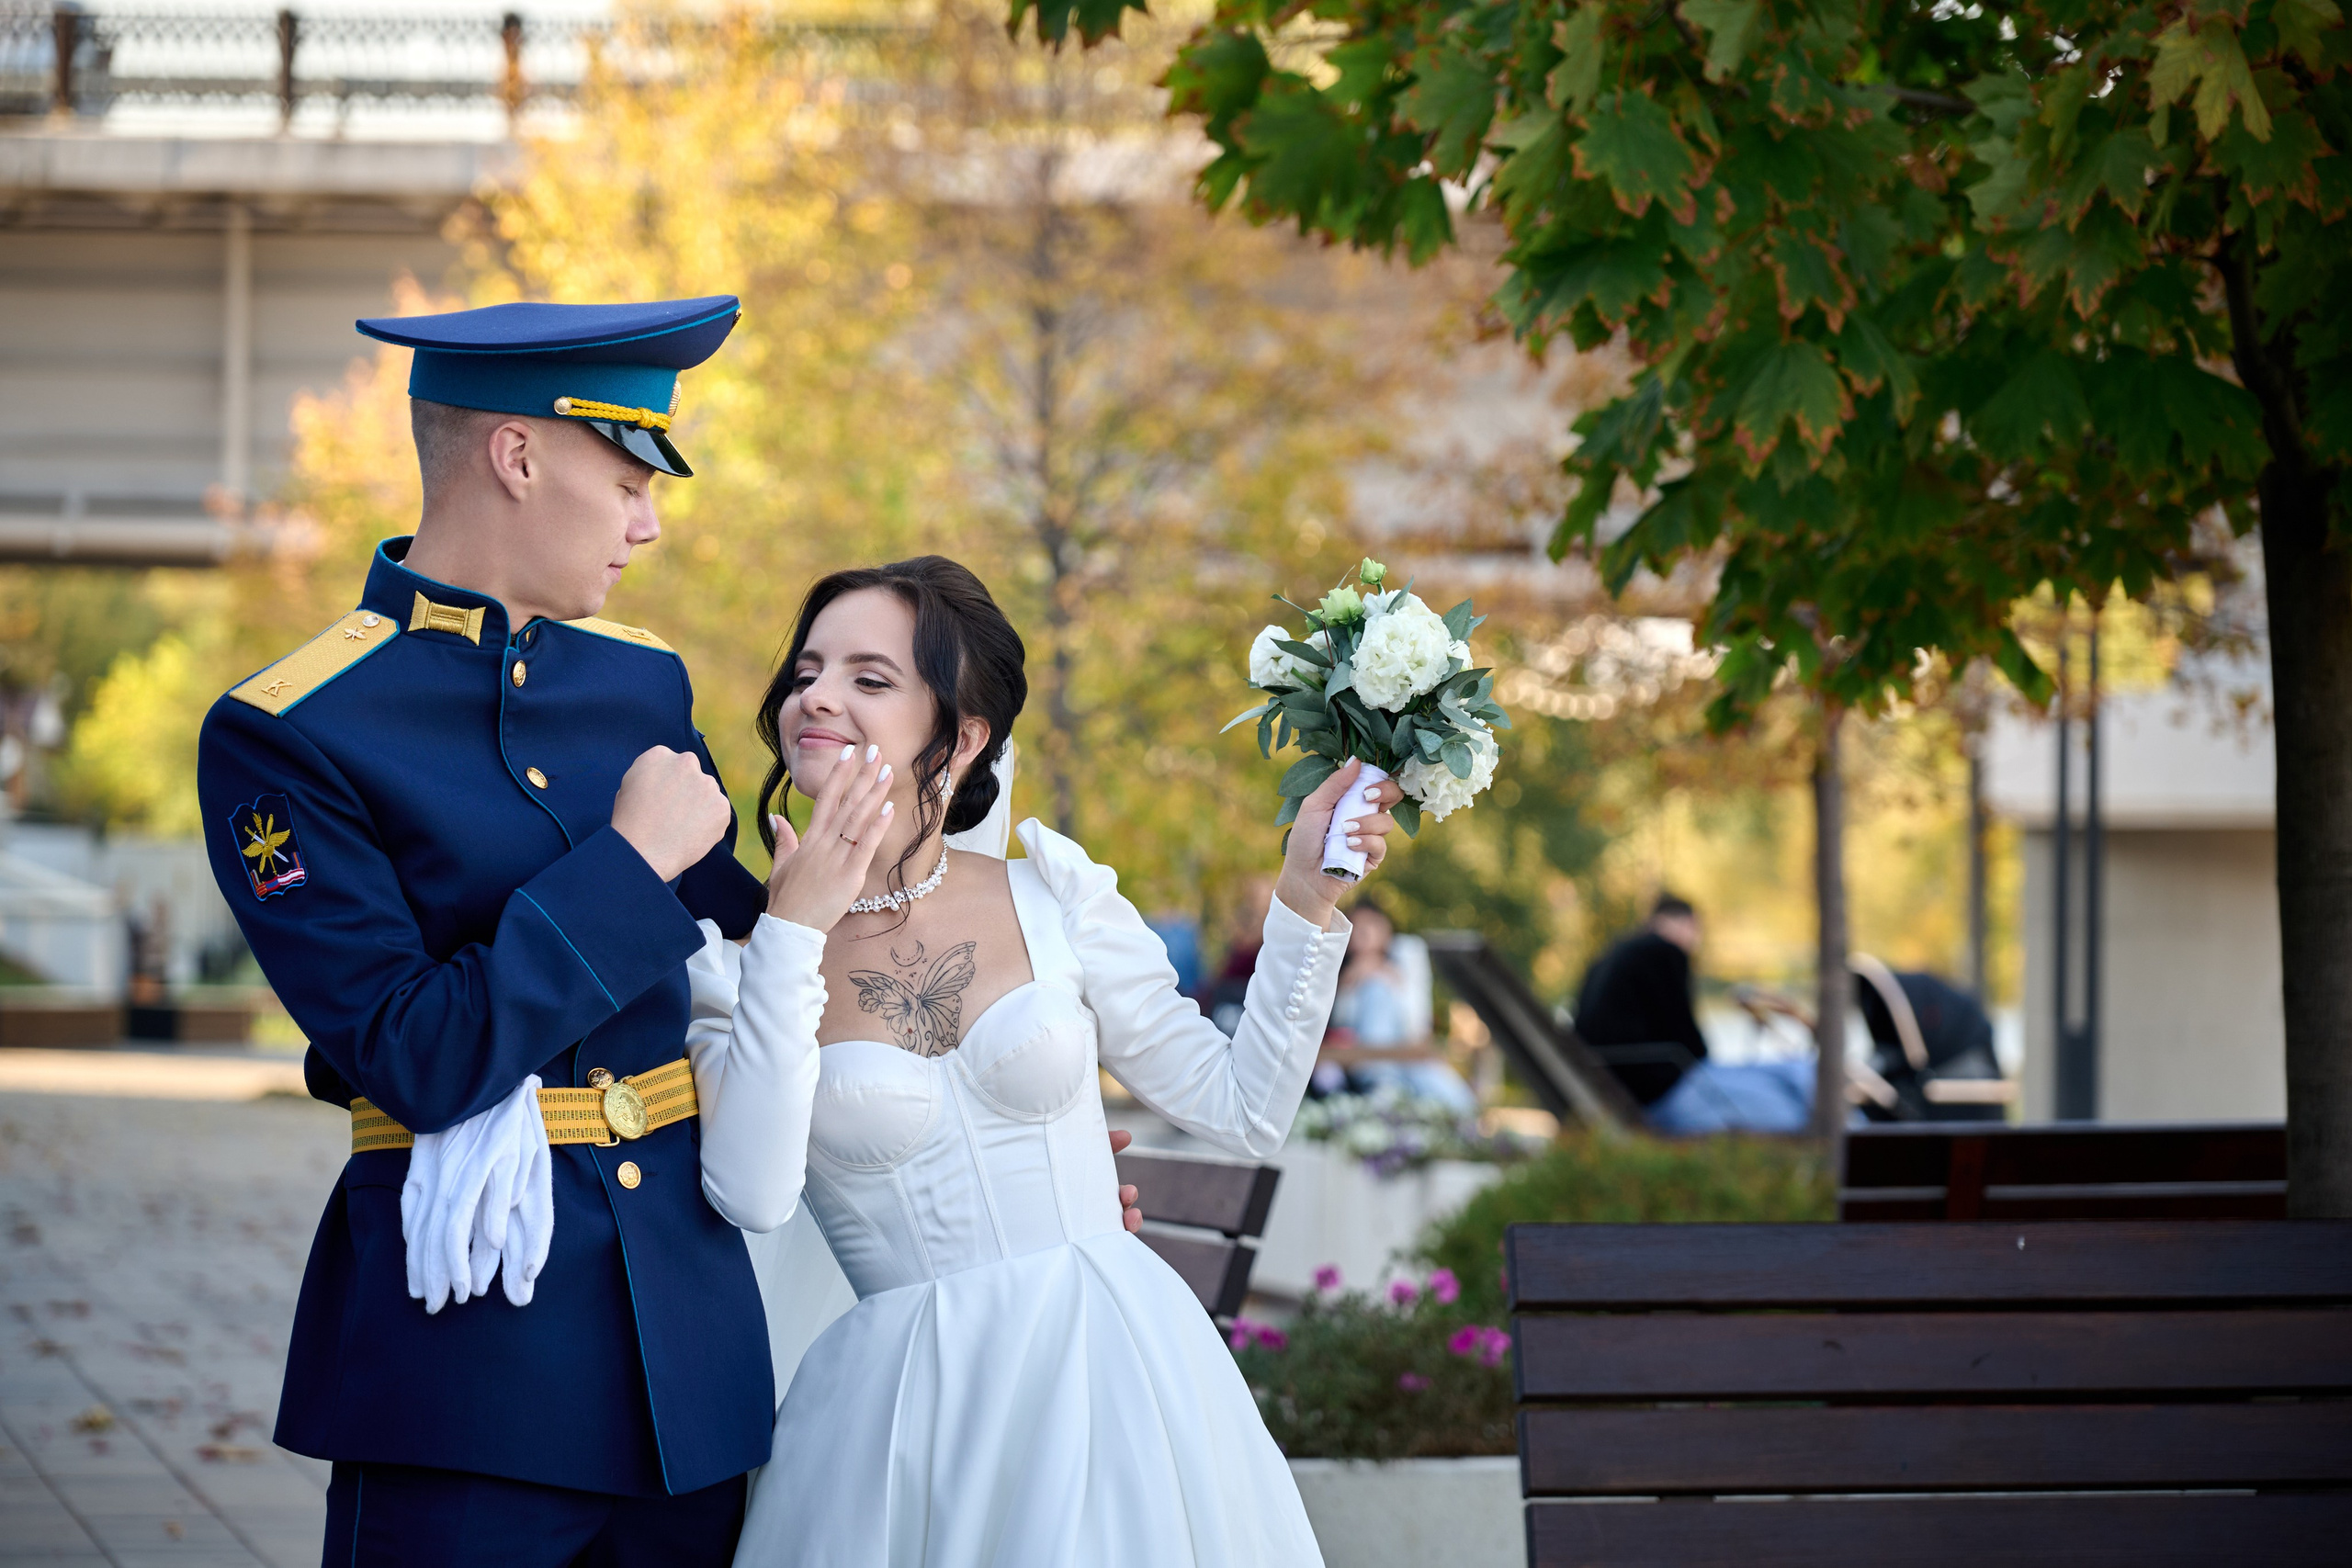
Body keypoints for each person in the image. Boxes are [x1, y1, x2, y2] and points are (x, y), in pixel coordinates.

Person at [194, 300, 1138, 1567]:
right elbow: (415, 1053)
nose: (648, 524)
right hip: (468, 1365)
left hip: (684, 1362)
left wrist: (1001, 1139)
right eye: (630, 484)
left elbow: (784, 949)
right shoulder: (292, 732)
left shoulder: (638, 681)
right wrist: (629, 863)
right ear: (518, 458)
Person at [684, 558, 1401, 1567]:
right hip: (903, 1418)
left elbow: (1242, 1108)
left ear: (963, 735)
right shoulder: (733, 969)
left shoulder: (1054, 895)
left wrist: (1305, 897)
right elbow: (753, 1194)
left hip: (1109, 1375)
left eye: (868, 677)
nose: (818, 696)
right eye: (807, 673)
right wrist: (794, 931)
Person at [1573, 894, 1812, 1134]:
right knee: (1793, 1092)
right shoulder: (1664, 951)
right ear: (1687, 923)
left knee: (1784, 1077)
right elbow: (1687, 1038)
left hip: (1625, 1083)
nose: (1695, 941)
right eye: (1695, 931)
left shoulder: (1611, 955)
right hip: (1662, 1091)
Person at [1329, 896, 1476, 1111]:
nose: (1364, 932)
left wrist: (1387, 975)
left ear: (1385, 927)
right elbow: (1339, 1026)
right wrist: (1350, 983)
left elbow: (1417, 1022)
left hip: (1408, 1054)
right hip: (1366, 1062)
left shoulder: (1405, 957)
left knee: (1460, 1102)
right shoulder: (1340, 969)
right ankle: (1383, 1081)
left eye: (1371, 923)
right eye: (1357, 926)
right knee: (1376, 989)